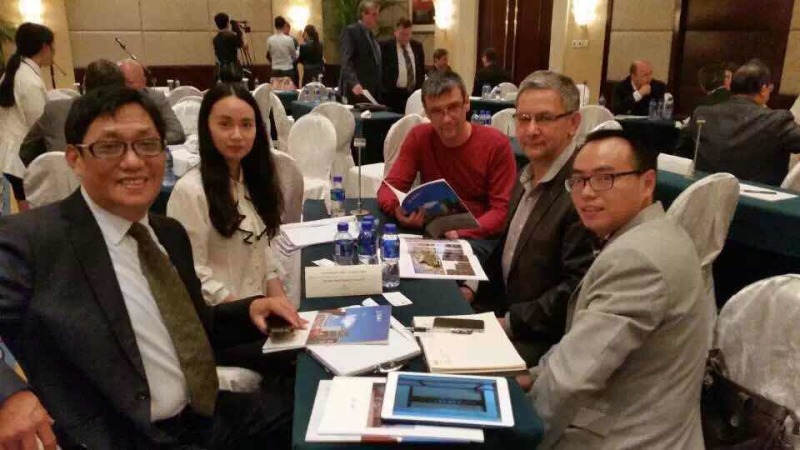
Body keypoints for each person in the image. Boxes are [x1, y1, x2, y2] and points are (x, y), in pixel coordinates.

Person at [0, 86, 304, 449]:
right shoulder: (33, 241)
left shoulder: (167, 233)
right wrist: (9, 396)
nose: (133, 161)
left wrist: (250, 308)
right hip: (124, 436)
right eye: (110, 146)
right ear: (75, 158)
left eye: (147, 144)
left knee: (315, 416)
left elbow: (197, 327)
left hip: (203, 415)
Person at [522, 125, 711, 449]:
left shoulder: (638, 259)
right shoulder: (657, 231)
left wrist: (519, 434)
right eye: (578, 180)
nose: (586, 193)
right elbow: (579, 347)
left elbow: (571, 380)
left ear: (647, 183)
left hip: (631, 437)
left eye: (604, 178)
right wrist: (530, 377)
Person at [469, 71, 596, 367]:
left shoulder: (582, 191)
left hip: (542, 342)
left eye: (545, 118)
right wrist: (472, 287)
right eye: (523, 118)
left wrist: (509, 323)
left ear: (573, 124)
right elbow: (508, 248)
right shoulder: (526, 173)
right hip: (502, 313)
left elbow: (576, 290)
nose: (531, 129)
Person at [167, 83, 284, 305]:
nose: (237, 135)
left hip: (258, 313)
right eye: (225, 124)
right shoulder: (190, 192)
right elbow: (193, 274)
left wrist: (284, 309)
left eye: (246, 125)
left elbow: (265, 261)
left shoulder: (253, 183)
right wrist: (249, 312)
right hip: (221, 316)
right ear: (206, 128)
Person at [376, 70, 516, 240]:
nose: (446, 119)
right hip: (431, 232)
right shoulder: (419, 137)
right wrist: (397, 210)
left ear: (466, 103)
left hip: (478, 236)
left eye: (453, 107)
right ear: (427, 113)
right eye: (437, 111)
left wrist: (460, 233)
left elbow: (501, 212)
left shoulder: (496, 144)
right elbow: (388, 188)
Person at [677, 59, 800, 186]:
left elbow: (680, 154)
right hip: (755, 196)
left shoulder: (702, 113)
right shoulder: (777, 120)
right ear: (764, 89)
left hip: (705, 191)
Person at [20, 59, 125, 166]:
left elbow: (25, 153)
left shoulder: (55, 109)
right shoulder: (127, 116)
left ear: (84, 86)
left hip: (59, 174)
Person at [0, 22, 54, 212]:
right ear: (45, 47)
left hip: (10, 157)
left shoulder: (14, 72)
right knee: (33, 216)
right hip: (22, 159)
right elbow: (39, 125)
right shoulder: (29, 81)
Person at [118, 59, 186, 144]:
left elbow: (177, 133)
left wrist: (148, 140)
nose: (123, 87)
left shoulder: (156, 98)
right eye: (119, 82)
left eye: (129, 82)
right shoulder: (110, 100)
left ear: (143, 82)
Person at [339, 0, 382, 104]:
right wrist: (354, 83)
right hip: (357, 90)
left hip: (372, 92)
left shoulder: (371, 36)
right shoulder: (351, 31)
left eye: (377, 14)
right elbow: (346, 61)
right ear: (364, 14)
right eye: (374, 14)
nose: (377, 18)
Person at [380, 18, 424, 113]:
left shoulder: (417, 46)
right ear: (395, 32)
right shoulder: (385, 47)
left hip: (413, 94)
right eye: (402, 34)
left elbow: (421, 70)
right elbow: (381, 70)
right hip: (393, 96)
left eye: (408, 34)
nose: (405, 37)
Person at [212, 12, 244, 82]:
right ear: (227, 23)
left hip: (221, 69)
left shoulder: (216, 39)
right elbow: (242, 45)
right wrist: (238, 31)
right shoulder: (231, 36)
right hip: (233, 69)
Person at [266, 16, 297, 82]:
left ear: (275, 26)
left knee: (276, 88)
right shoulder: (289, 39)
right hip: (288, 69)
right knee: (289, 88)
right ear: (283, 26)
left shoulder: (270, 39)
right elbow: (294, 55)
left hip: (275, 69)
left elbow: (270, 54)